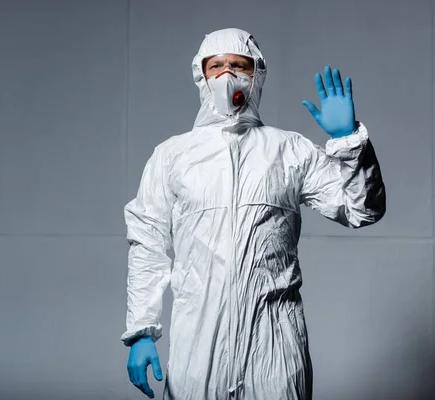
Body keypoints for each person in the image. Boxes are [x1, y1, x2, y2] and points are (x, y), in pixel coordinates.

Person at [121, 28, 386, 400]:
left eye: (239, 65)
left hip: (275, 343)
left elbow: (363, 210)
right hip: (198, 346)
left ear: (256, 74)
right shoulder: (172, 156)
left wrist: (350, 143)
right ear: (202, 76)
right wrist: (142, 329)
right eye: (217, 66)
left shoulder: (290, 151)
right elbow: (147, 243)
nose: (227, 75)